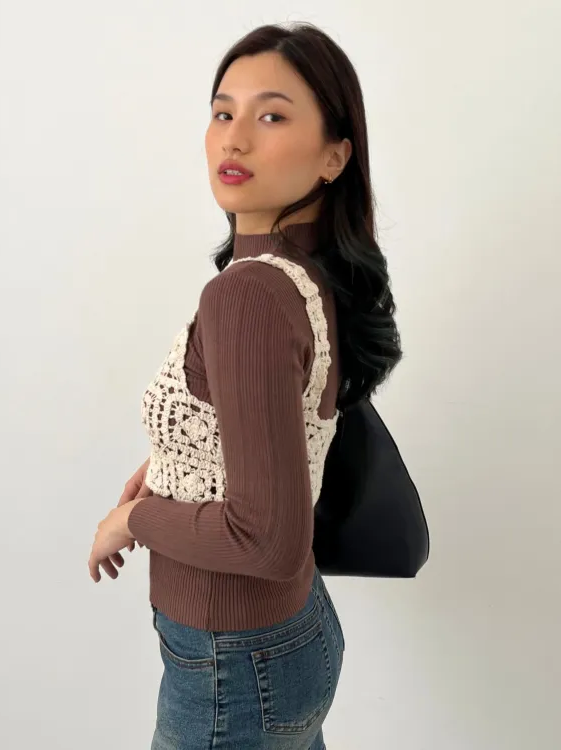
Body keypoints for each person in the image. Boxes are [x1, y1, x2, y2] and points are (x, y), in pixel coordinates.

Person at [88, 22, 402, 750]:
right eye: (222, 112)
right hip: (281, 641)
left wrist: (133, 520)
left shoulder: (249, 295)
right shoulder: (308, 273)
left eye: (272, 116)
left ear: (335, 155)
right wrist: (169, 468)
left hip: (233, 667)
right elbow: (267, 431)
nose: (234, 139)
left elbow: (268, 539)